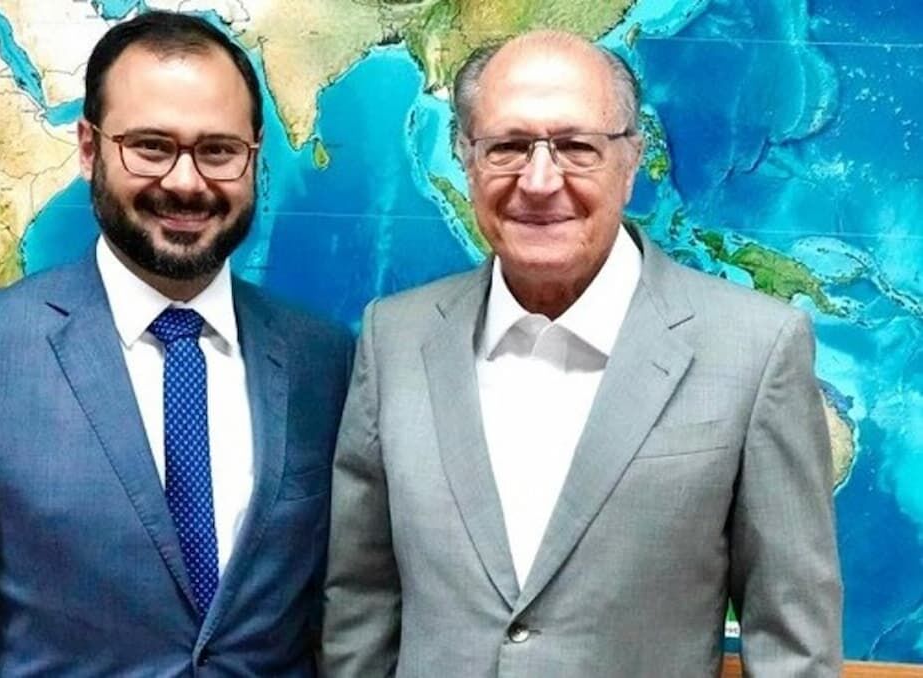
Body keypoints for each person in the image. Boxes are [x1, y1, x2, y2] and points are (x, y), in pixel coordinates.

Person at [323, 30, 841, 677]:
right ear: (466, 157)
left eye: (576, 147)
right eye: (507, 146)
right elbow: (361, 602)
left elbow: (794, 644)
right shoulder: (393, 339)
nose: (540, 181)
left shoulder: (756, 350)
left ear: (631, 159)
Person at [0, 11, 352, 676]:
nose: (186, 182)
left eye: (218, 150)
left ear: (255, 155)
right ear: (88, 148)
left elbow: (346, 592)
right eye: (151, 147)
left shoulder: (322, 359)